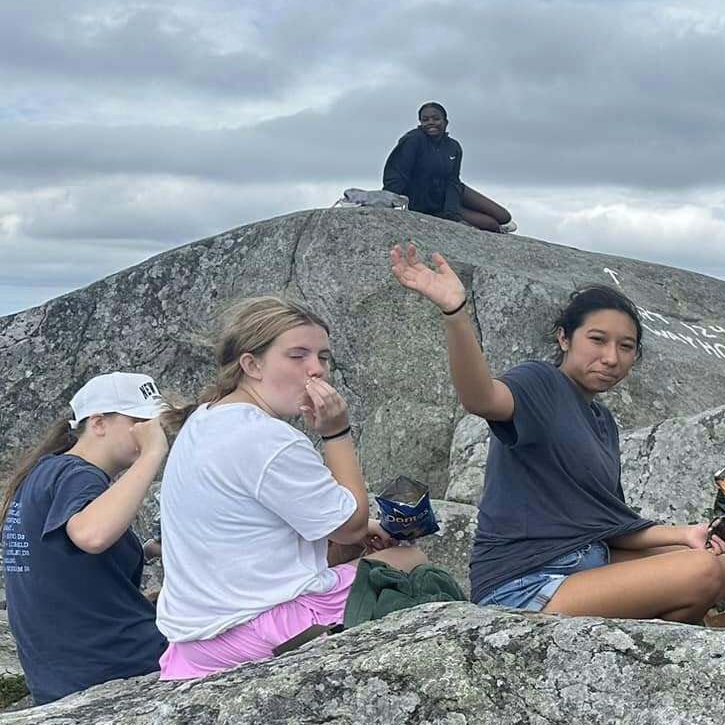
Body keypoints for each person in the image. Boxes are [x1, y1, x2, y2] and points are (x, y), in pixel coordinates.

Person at [390, 245, 725, 620]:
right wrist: (455, 312)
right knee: (702, 571)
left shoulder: (602, 422)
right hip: (523, 582)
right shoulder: (541, 383)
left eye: (626, 347)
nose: (611, 357)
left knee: (718, 567)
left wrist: (687, 533)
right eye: (597, 340)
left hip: (590, 561)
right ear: (563, 339)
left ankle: (630, 660)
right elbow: (481, 398)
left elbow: (609, 526)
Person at [155, 298, 430, 680]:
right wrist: (336, 432)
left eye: (323, 357)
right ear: (252, 365)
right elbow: (350, 526)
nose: (316, 369)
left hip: (195, 644)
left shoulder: (203, 419)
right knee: (408, 559)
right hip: (257, 632)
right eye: (298, 355)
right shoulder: (267, 438)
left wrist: (362, 532)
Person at [0, 373, 169, 702]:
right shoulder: (80, 475)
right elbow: (91, 535)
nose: (151, 431)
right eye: (139, 420)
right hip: (116, 666)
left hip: (58, 678)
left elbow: (63, 565)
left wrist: (146, 549)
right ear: (99, 423)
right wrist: (152, 455)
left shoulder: (44, 473)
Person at [382, 102, 516, 234]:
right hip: (428, 200)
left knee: (504, 217)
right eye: (425, 120)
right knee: (490, 224)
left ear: (445, 122)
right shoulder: (413, 140)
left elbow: (453, 180)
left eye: (436, 119)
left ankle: (460, 211)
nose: (430, 122)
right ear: (420, 123)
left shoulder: (453, 146)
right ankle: (493, 229)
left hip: (451, 191)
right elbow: (397, 172)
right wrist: (387, 199)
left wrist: (451, 210)